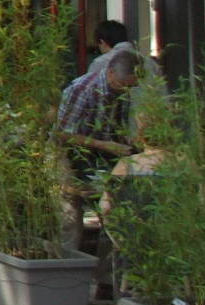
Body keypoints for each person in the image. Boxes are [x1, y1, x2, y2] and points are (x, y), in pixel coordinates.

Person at [57, 49, 142, 249]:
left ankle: (107, 273)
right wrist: (106, 145)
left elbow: (116, 128)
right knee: (69, 216)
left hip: (103, 153)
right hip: (70, 152)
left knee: (115, 208)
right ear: (110, 73)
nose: (126, 91)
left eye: (131, 87)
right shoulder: (82, 89)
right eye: (123, 85)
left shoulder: (121, 90)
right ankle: (68, 264)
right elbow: (62, 134)